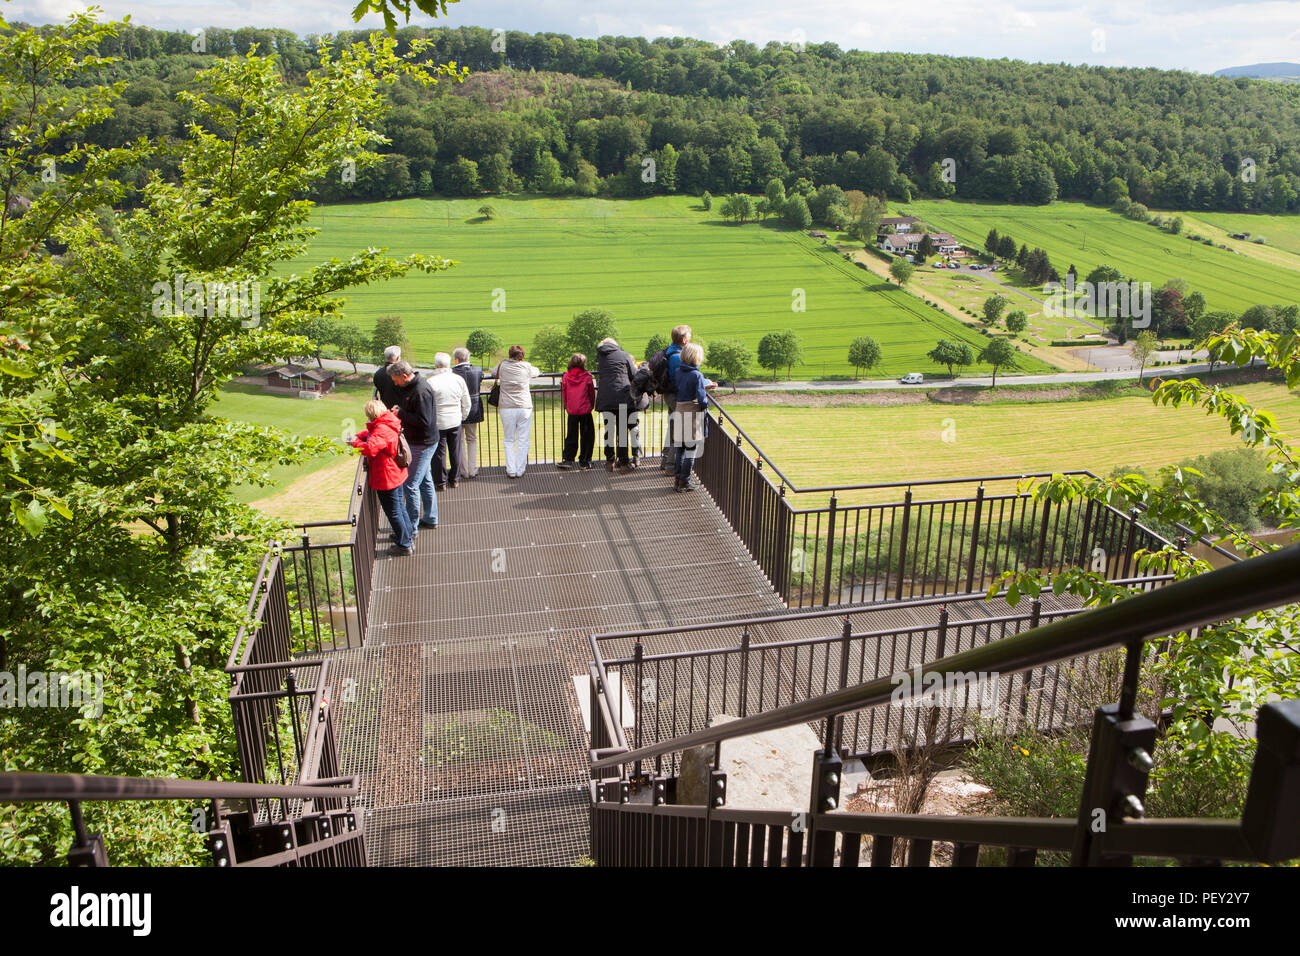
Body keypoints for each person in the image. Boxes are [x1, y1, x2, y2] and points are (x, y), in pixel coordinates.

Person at [351, 399, 413, 555]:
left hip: (387, 476)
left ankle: (404, 544)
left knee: (393, 511)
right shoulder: (388, 421)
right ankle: (407, 535)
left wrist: (355, 443)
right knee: (399, 506)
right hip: (395, 472)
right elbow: (372, 434)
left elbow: (371, 448)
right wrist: (359, 436)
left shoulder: (381, 429)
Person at [389, 360, 439, 530]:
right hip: (423, 441)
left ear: (404, 376)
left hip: (422, 443)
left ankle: (411, 527)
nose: (395, 383)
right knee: (425, 480)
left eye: (396, 379)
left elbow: (424, 421)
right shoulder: (414, 387)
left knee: (409, 484)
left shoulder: (420, 391)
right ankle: (431, 518)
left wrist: (400, 413)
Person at [490, 344, 541, 478]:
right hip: (524, 407)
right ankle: (520, 469)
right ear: (522, 356)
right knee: (523, 439)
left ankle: (511, 469)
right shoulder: (527, 367)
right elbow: (537, 372)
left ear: (509, 354)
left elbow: (493, 372)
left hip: (507, 407)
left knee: (509, 439)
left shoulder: (502, 366)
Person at [595, 337, 642, 470]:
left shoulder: (600, 357)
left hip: (605, 397)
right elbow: (634, 374)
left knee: (609, 429)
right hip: (622, 396)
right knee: (622, 430)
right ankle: (624, 462)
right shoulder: (624, 354)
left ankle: (610, 460)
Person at [672, 342, 714, 493]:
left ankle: (677, 479)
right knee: (691, 449)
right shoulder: (697, 375)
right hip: (691, 412)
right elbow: (702, 398)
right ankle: (685, 481)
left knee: (680, 449)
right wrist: (704, 406)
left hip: (679, 409)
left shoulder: (678, 371)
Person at [428, 352, 471, 490]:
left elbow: (427, 405)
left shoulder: (430, 382)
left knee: (439, 453)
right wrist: (462, 416)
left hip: (438, 422)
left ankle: (440, 482)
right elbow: (466, 402)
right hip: (454, 420)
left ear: (436, 365)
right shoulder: (458, 379)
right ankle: (455, 479)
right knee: (455, 451)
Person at [558, 353, 596, 470]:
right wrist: (591, 406)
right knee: (587, 436)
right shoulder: (587, 376)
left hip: (572, 410)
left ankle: (568, 459)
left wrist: (567, 407)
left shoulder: (566, 376)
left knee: (571, 435)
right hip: (585, 410)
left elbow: (564, 393)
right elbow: (591, 393)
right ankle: (585, 460)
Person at [661, 325, 690, 473]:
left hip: (669, 394)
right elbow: (684, 378)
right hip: (676, 397)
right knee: (678, 432)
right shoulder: (678, 356)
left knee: (672, 428)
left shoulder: (669, 351)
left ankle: (665, 460)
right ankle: (671, 466)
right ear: (684, 340)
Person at [451, 347, 484, 480]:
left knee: (460, 441)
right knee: (472, 439)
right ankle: (472, 469)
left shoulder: (452, 372)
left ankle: (463, 470)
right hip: (474, 408)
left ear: (456, 359)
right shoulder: (477, 370)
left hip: (457, 409)